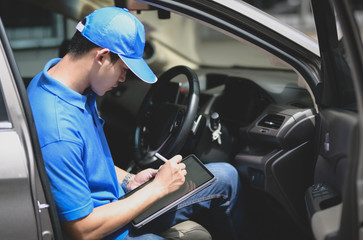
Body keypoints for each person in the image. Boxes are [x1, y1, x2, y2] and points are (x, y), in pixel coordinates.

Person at [27, 7, 245, 240]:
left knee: (225, 176)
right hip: (107, 230)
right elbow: (82, 230)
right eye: (123, 69)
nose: (123, 79)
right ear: (101, 57)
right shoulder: (59, 130)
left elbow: (85, 164)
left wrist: (129, 181)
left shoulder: (59, 80)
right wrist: (157, 188)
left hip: (117, 207)